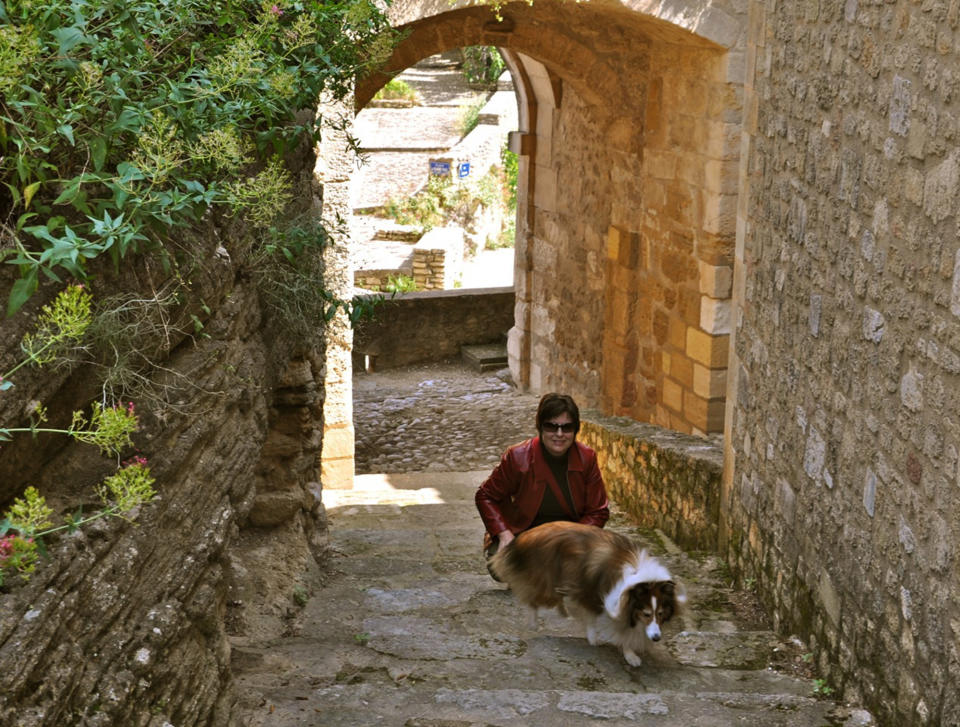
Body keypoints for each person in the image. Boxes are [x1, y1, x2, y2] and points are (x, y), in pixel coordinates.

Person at [475, 392, 610, 576]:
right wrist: (504, 534)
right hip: (525, 535)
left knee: (601, 564)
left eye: (567, 427)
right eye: (551, 427)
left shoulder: (586, 458)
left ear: (575, 430)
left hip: (568, 536)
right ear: (540, 427)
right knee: (499, 567)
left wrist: (576, 539)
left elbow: (598, 511)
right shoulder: (517, 456)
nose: (559, 434)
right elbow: (485, 495)